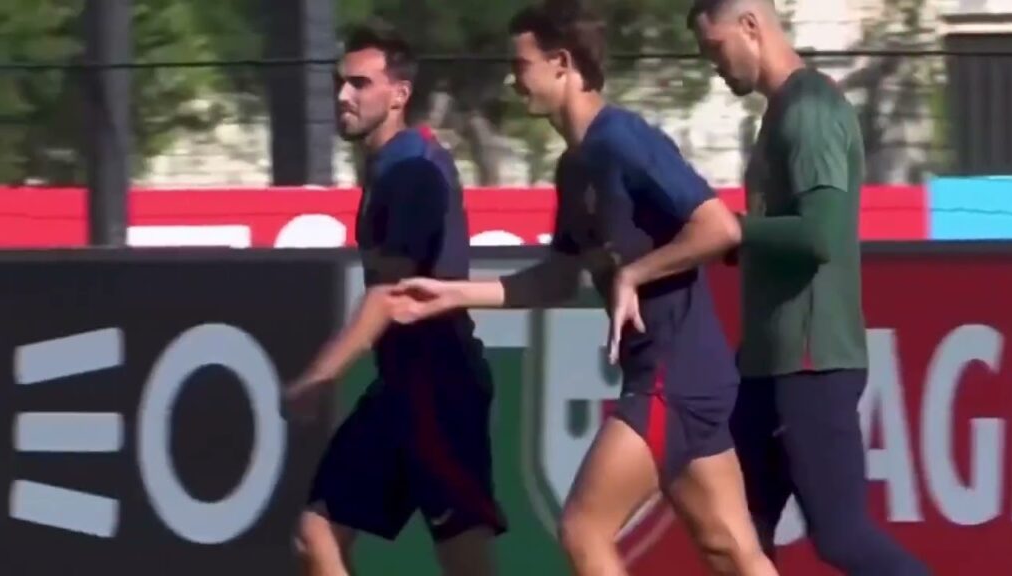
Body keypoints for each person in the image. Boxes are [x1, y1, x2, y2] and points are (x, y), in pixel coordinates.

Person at [385, 2, 778, 575]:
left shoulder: (624, 139)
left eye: (520, 65)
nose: (512, 79)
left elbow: (718, 227)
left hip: (675, 375)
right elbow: (558, 277)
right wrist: (454, 294)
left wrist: (635, 273)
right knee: (731, 551)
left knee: (583, 529)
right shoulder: (574, 167)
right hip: (677, 376)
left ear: (562, 64)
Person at [687, 1, 931, 574]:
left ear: (751, 26)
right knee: (737, 538)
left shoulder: (810, 110)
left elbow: (819, 235)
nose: (712, 64)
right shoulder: (781, 112)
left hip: (810, 361)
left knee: (841, 538)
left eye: (715, 47)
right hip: (766, 364)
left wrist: (733, 231)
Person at [282, 23, 505, 576]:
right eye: (339, 83)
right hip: (401, 386)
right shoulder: (389, 166)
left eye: (359, 83)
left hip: (440, 387)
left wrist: (320, 377)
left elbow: (389, 292)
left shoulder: (411, 170)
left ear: (400, 94)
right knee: (316, 534)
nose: (342, 96)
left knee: (463, 558)